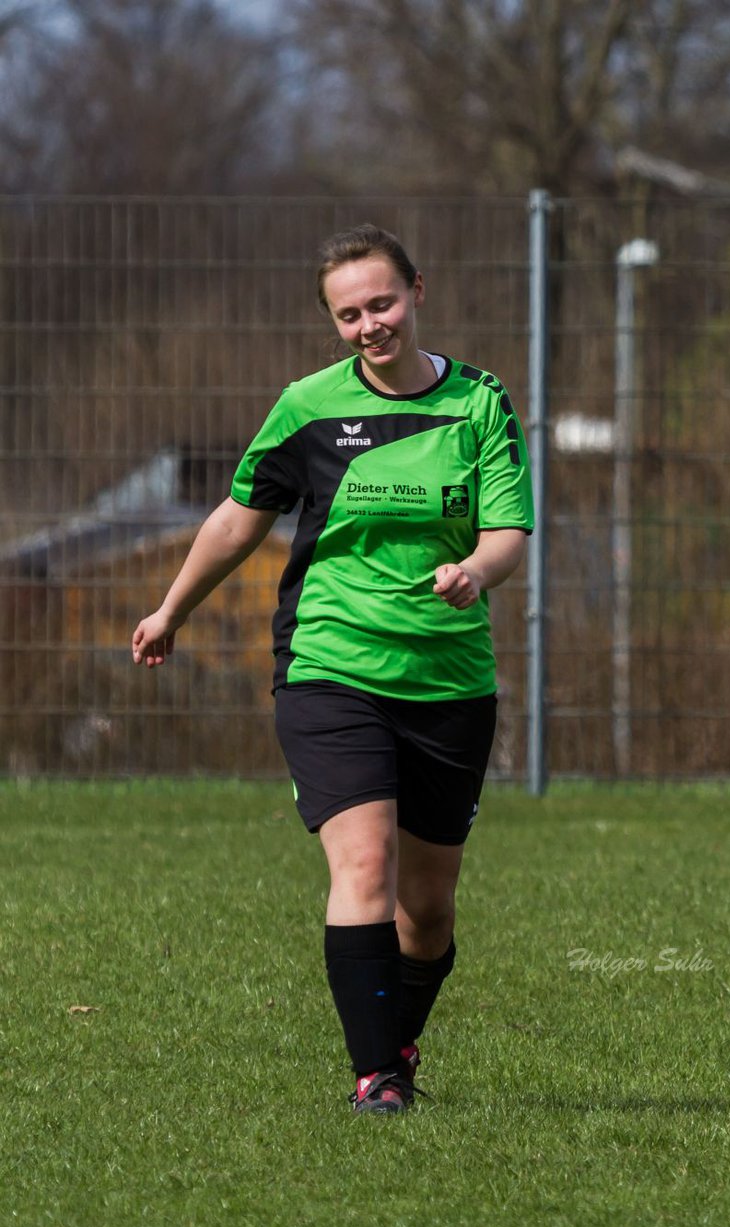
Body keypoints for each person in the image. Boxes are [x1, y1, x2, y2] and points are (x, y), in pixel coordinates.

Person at [132, 224, 534, 1115]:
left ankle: (394, 1042)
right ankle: (378, 1078)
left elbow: (509, 530)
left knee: (427, 914)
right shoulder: (307, 407)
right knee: (365, 865)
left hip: (449, 681)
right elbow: (239, 519)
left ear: (417, 292)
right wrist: (172, 607)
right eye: (348, 314)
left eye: (381, 303)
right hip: (330, 664)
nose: (368, 326)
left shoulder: (481, 402)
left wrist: (476, 570)